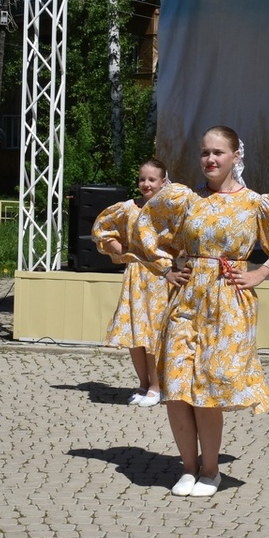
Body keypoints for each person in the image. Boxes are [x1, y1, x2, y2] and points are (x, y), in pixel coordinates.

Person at [134, 126, 269, 497]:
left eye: (218, 152)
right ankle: (187, 467)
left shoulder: (254, 203)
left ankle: (211, 470)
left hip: (228, 301)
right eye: (205, 153)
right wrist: (166, 269)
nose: (210, 160)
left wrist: (262, 272)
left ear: (236, 156)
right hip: (186, 300)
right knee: (177, 386)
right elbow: (144, 226)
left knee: (207, 386)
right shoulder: (186, 199)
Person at [92, 158, 170, 407]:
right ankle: (143, 384)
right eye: (142, 179)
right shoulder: (128, 208)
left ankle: (157, 387)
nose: (146, 184)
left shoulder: (170, 209)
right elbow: (101, 229)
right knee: (135, 333)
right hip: (136, 276)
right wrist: (120, 248)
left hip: (160, 277)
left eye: (152, 179)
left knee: (152, 334)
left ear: (163, 181)